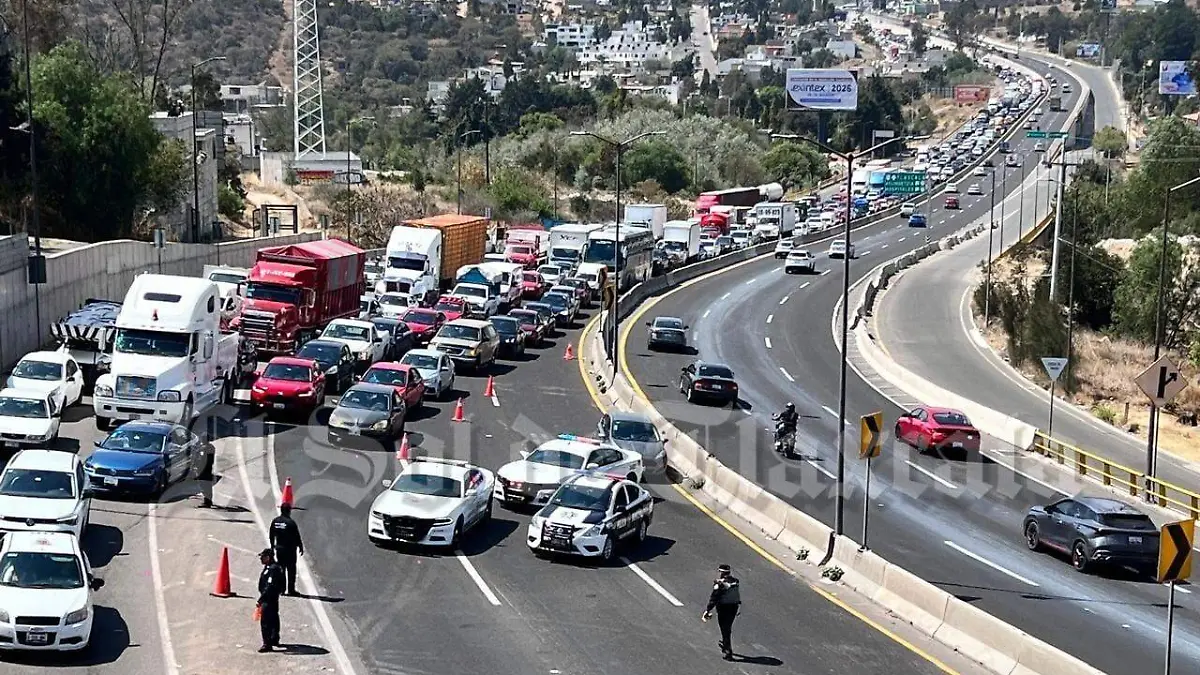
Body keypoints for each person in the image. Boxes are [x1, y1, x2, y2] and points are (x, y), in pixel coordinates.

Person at [702, 564, 741, 660]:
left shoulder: (720, 585)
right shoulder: (735, 581)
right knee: (727, 627)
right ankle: (725, 643)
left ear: (721, 572)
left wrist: (707, 610)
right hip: (734, 607)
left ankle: (728, 650)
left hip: (724, 608)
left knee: (724, 628)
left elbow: (714, 598)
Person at [269, 504, 305, 596]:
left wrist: (272, 547)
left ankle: (282, 589)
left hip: (280, 549)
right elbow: (297, 536)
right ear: (289, 511)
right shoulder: (290, 523)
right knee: (291, 570)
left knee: (281, 569)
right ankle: (291, 589)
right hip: (290, 550)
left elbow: (271, 535)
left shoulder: (275, 521)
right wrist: (300, 546)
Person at [256, 548, 285, 653]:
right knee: (273, 617)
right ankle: (274, 638)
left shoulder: (273, 569)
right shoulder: (271, 567)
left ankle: (267, 643)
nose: (261, 559)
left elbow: (270, 586)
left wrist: (261, 599)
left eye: (263, 557)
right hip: (271, 598)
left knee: (266, 621)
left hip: (269, 598)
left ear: (268, 557)